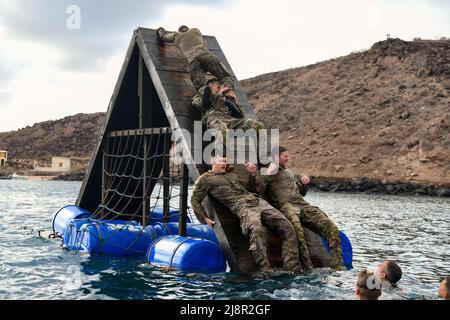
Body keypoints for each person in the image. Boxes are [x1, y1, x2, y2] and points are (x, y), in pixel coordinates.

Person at [190, 154, 302, 273]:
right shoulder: (205, 179)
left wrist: (252, 174)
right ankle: (264, 269)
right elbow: (194, 199)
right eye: (221, 161)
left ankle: (291, 268)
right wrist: (204, 218)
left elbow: (251, 188)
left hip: (259, 202)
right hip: (243, 207)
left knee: (287, 226)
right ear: (213, 162)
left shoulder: (232, 176)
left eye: (225, 161)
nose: (224, 163)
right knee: (256, 230)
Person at [246, 146, 344, 271]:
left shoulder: (288, 171)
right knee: (298, 234)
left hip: (302, 204)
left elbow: (300, 193)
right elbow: (257, 190)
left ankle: (338, 267)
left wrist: (303, 184)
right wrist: (253, 175)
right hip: (287, 206)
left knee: (331, 228)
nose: (288, 158)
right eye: (285, 156)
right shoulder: (269, 170)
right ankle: (306, 270)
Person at [156, 25, 235, 94]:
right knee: (225, 77)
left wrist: (160, 29)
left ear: (179, 31)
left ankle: (204, 93)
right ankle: (228, 91)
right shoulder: (195, 30)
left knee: (200, 84)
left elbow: (164, 36)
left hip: (192, 60)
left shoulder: (176, 36)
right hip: (206, 55)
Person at [192, 78, 265, 136]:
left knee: (258, 125)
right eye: (217, 86)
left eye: (220, 86)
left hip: (230, 121)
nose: (219, 88)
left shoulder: (226, 102)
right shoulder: (199, 98)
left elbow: (240, 117)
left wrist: (235, 102)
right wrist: (218, 94)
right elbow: (206, 105)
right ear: (210, 85)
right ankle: (222, 154)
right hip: (215, 121)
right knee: (223, 132)